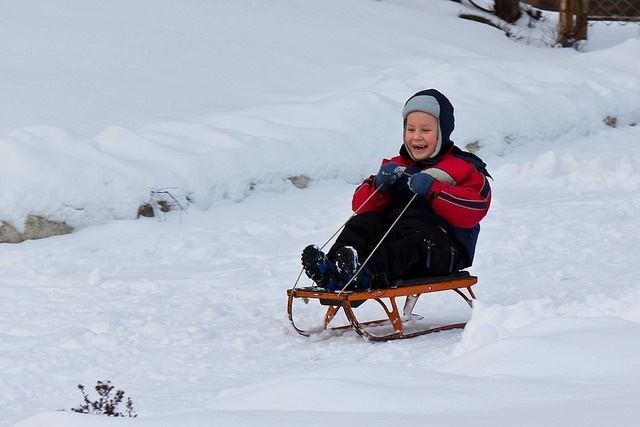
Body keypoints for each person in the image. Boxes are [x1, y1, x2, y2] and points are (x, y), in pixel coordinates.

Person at [301, 88, 492, 291]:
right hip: (401, 251)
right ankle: (334, 270)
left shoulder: (462, 168)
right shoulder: (399, 165)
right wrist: (379, 187)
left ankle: (366, 275)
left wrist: (434, 190)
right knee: (363, 222)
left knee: (410, 232)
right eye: (411, 130)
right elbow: (360, 205)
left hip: (443, 252)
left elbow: (474, 209)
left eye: (425, 130)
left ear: (443, 131)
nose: (416, 137)